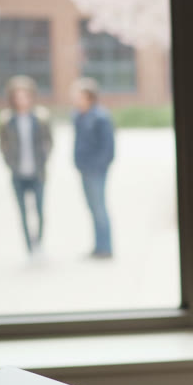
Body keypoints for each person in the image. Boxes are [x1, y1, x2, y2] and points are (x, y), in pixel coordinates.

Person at [0, 75, 53, 256]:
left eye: (25, 95)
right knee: (22, 212)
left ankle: (39, 242)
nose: (22, 100)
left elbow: (49, 141)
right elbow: (2, 144)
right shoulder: (6, 120)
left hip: (37, 172)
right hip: (18, 173)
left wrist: (44, 159)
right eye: (18, 96)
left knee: (39, 210)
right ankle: (28, 245)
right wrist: (10, 163)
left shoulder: (41, 117)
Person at [70, 78, 115, 259]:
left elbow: (108, 148)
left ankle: (105, 247)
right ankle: (98, 246)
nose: (74, 99)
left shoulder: (101, 117)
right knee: (92, 208)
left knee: (99, 208)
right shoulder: (78, 116)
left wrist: (98, 166)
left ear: (89, 97)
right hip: (85, 168)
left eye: (78, 96)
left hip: (96, 170)